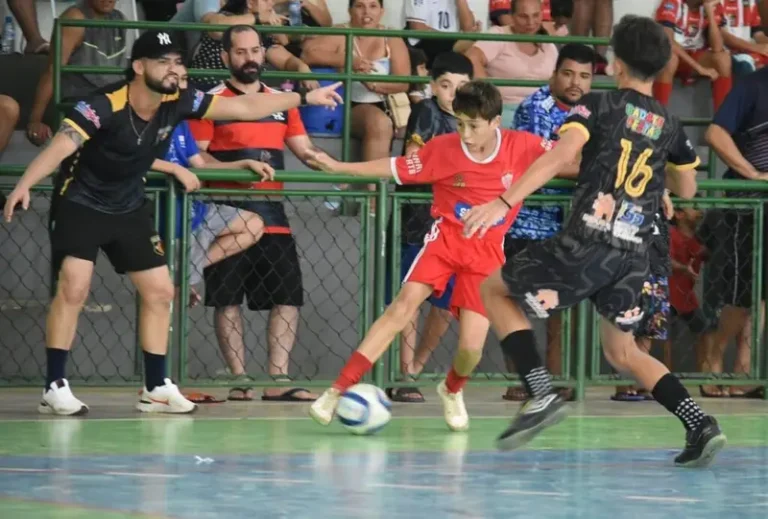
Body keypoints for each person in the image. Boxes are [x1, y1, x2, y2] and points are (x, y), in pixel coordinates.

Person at [1, 29, 342, 416]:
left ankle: (156, 388)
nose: (174, 69)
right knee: (74, 289)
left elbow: (245, 107)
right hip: (81, 202)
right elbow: (62, 143)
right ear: (138, 66)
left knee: (161, 291)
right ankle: (54, 386)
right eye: (163, 62)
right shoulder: (103, 104)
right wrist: (25, 184)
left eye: (179, 61)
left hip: (129, 205)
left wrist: (305, 97)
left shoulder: (180, 99)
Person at [463, 15, 726, 467]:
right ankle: (699, 422)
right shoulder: (669, 123)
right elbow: (687, 188)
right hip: (634, 252)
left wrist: (504, 202)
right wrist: (657, 179)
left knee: (493, 290)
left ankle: (541, 393)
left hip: (589, 241)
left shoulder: (598, 106)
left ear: (616, 63)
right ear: (662, 66)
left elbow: (560, 155)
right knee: (622, 351)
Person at [307, 80, 558, 431]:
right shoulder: (443, 149)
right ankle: (336, 391)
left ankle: (451, 389)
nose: (465, 134)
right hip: (445, 241)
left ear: (495, 122)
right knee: (402, 306)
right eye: (460, 123)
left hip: (487, 254)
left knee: (471, 350)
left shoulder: (523, 145)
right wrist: (339, 167)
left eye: (473, 126)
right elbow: (394, 166)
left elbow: (566, 156)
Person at [189, 25, 329, 402]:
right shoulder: (210, 102)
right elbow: (197, 156)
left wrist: (345, 172)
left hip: (273, 214)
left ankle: (277, 378)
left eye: (254, 50)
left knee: (288, 296)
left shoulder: (283, 102)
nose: (249, 58)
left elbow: (307, 151)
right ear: (225, 57)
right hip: (226, 214)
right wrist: (235, 168)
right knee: (227, 299)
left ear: (263, 54)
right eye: (240, 52)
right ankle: (240, 380)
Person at [503, 43, 594, 402]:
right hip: (526, 222)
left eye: (584, 76)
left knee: (561, 308)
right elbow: (548, 164)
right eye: (568, 73)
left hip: (567, 226)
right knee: (516, 305)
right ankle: (522, 381)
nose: (575, 82)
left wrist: (581, 166)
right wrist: (589, 169)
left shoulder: (591, 111)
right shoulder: (534, 108)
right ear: (554, 74)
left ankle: (556, 380)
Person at [385, 51, 474, 403]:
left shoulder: (475, 121)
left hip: (457, 221)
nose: (454, 93)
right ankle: (405, 373)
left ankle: (417, 366)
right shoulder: (425, 111)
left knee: (447, 301)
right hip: (419, 217)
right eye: (446, 85)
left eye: (462, 86)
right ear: (433, 86)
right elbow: (413, 159)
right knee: (412, 296)